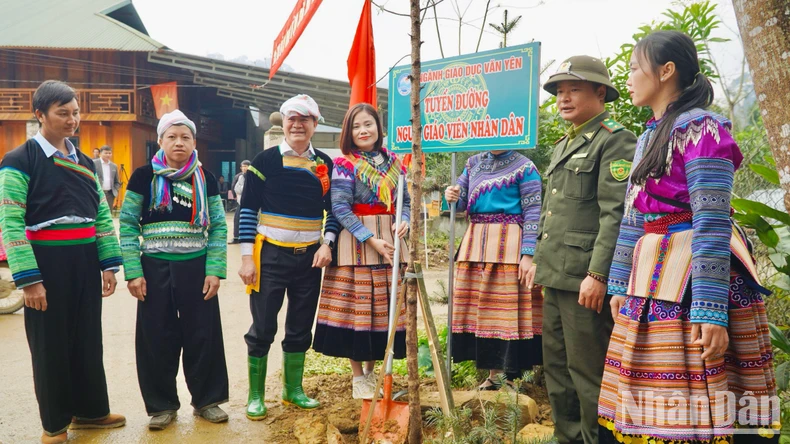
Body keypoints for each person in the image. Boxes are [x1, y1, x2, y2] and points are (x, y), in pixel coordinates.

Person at [597, 30, 778, 444]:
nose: (627, 77)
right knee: (653, 395)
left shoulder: (705, 130)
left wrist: (711, 311)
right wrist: (620, 282)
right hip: (652, 274)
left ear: (666, 71)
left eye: (633, 67)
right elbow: (632, 217)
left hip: (695, 278)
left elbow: (711, 220)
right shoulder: (648, 137)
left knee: (705, 389)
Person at [0, 80, 125, 444]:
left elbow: (101, 215)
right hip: (46, 262)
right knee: (50, 343)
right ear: (40, 115)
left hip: (84, 258)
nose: (72, 120)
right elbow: (10, 221)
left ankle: (90, 411)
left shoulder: (83, 161)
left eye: (75, 113)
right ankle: (54, 424)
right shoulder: (19, 160)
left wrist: (108, 264)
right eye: (62, 113)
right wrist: (29, 279)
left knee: (87, 338)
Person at [524, 55, 637, 444]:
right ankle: (566, 437)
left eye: (574, 89)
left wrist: (599, 273)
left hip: (585, 280)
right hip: (556, 274)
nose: (563, 98)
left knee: (589, 372)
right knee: (556, 368)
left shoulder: (614, 139)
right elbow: (554, 211)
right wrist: (537, 262)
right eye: (559, 91)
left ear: (599, 92)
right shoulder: (563, 144)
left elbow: (615, 214)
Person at [119, 109, 230, 430]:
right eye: (172, 136)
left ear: (194, 142)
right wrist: (133, 271)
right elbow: (127, 224)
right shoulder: (143, 176)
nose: (179, 142)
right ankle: (161, 405)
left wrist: (215, 270)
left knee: (203, 335)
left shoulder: (205, 178)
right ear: (160, 141)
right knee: (155, 337)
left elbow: (219, 227)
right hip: (153, 270)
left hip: (196, 268)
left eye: (185, 137)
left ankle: (207, 400)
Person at [238, 94, 340, 419]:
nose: (297, 124)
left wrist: (328, 243)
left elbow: (334, 210)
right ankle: (256, 396)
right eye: (291, 119)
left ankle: (292, 390)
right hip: (269, 256)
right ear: (283, 123)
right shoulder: (265, 160)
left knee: (299, 327)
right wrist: (246, 258)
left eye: (304, 119)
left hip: (310, 259)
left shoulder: (325, 163)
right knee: (263, 326)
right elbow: (247, 210)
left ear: (314, 124)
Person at [313, 103, 410, 399]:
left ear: (379, 128)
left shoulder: (395, 163)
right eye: (356, 127)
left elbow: (405, 201)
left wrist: (404, 220)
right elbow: (340, 207)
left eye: (368, 124)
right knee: (358, 310)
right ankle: (359, 379)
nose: (363, 130)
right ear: (349, 133)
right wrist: (371, 239)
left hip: (391, 242)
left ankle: (374, 374)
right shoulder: (345, 164)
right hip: (357, 243)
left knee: (383, 310)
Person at [444, 148, 543, 390]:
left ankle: (509, 378)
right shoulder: (473, 163)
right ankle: (493, 375)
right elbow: (461, 205)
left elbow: (533, 214)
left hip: (509, 245)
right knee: (483, 311)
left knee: (506, 312)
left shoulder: (525, 167)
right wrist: (452, 195)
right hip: (476, 242)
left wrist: (528, 254)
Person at [228, 160, 250, 244]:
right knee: (237, 219)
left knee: (250, 220)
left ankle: (250, 238)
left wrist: (242, 189)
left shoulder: (253, 176)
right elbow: (236, 188)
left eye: (246, 166)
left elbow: (249, 189)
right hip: (240, 202)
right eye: (243, 166)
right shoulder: (240, 177)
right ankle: (236, 237)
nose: (244, 168)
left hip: (250, 202)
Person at [94, 145, 122, 210]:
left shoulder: (114, 166)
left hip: (110, 194)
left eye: (109, 153)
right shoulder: (94, 163)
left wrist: (115, 191)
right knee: (97, 212)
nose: (108, 155)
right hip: (97, 192)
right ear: (100, 153)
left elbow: (117, 181)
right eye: (106, 153)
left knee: (108, 213)